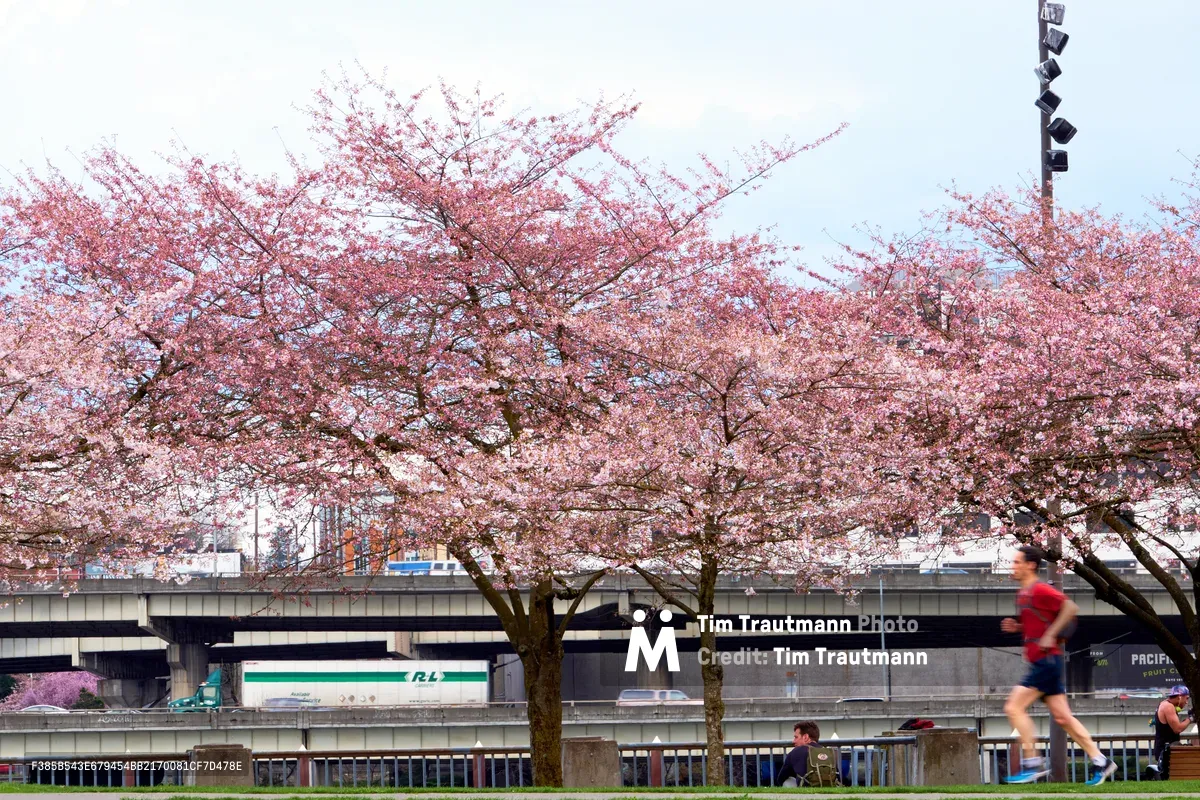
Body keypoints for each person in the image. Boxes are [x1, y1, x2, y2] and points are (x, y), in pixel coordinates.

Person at [1001, 546, 1117, 785]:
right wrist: (1019, 628)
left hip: (1046, 662)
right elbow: (1039, 624)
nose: (1013, 566)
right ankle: (1101, 761)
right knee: (1064, 718)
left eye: (1016, 562)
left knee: (1013, 708)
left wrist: (1050, 635)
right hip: (1045, 662)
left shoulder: (1040, 589)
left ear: (1031, 565)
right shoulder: (1023, 595)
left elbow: (1070, 608)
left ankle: (1033, 763)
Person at [1153, 685, 1192, 776]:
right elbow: (1177, 729)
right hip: (1165, 751)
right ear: (1179, 697)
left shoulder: (1164, 703)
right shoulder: (1168, 707)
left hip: (1165, 749)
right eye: (1186, 698)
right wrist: (1190, 719)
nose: (1186, 702)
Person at [777, 720, 820, 787]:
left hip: (805, 792)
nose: (793, 741)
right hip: (829, 790)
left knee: (787, 781)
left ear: (805, 737)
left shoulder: (796, 751)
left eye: (796, 737)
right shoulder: (827, 751)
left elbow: (781, 778)